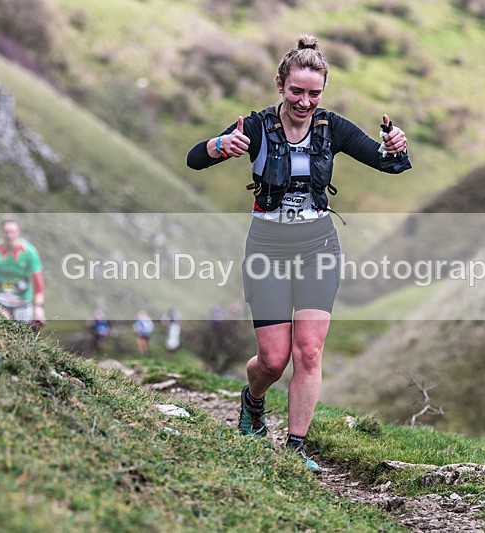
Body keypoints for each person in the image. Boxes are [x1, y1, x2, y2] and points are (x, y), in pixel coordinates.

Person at [186, 35, 411, 472]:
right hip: (267, 247)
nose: (305, 102)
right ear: (279, 85)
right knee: (273, 359)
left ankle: (295, 449)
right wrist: (220, 146)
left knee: (309, 352)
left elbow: (388, 163)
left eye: (314, 93)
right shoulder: (254, 127)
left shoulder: (333, 128)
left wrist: (396, 146)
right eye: (296, 91)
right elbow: (195, 158)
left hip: (317, 246)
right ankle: (252, 401)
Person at [0, 218, 45, 328]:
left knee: (25, 334)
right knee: (1, 325)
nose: (9, 235)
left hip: (22, 302)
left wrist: (38, 308)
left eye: (12, 232)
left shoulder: (30, 252)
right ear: (1, 232)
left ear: (18, 232)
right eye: (6, 231)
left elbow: (38, 283)